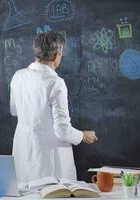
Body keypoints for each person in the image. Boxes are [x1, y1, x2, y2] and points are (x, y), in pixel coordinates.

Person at [10, 31, 98, 184]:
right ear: (57, 55)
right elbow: (62, 130)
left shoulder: (18, 75)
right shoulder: (55, 82)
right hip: (49, 160)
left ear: (36, 52)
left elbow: (14, 111)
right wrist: (83, 135)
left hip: (23, 151)